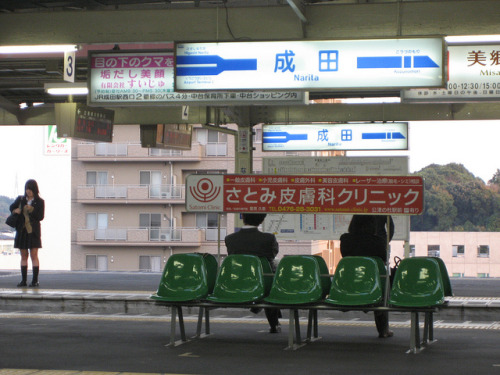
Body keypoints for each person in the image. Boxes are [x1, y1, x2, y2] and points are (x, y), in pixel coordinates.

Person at [225, 213, 281, 333]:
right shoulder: (268, 238)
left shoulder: (230, 239)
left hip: (239, 280)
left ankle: (263, 306)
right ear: (261, 221)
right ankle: (273, 321)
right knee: (273, 281)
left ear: (243, 218)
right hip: (263, 280)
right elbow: (272, 254)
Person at [340, 214, 393, 338]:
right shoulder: (378, 242)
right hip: (372, 287)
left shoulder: (345, 241)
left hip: (349, 285)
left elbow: (346, 259)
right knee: (382, 283)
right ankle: (383, 330)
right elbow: (383, 261)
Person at [10, 179, 45, 287]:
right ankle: (23, 280)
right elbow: (11, 207)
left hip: (33, 231)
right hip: (22, 231)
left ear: (35, 189)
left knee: (34, 255)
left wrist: (32, 210)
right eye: (27, 189)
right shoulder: (21, 199)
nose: (28, 191)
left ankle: (35, 280)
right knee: (23, 255)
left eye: (30, 189)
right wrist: (16, 210)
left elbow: (40, 217)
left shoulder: (40, 201)